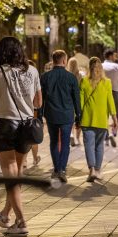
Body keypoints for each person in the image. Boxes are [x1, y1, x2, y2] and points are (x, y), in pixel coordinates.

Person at [0, 36, 42, 236]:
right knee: (17, 174)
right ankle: (6, 213)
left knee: (10, 174)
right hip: (26, 126)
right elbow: (38, 102)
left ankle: (21, 220)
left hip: (5, 125)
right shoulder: (33, 71)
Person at [41, 50, 81, 183]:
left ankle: (56, 169)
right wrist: (78, 115)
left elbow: (41, 98)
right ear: (64, 60)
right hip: (67, 114)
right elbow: (76, 98)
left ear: (53, 60)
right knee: (65, 143)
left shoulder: (45, 77)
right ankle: (62, 170)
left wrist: (40, 115)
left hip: (51, 114)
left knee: (53, 141)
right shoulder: (71, 77)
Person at [81, 56, 118, 182]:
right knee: (99, 146)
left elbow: (80, 102)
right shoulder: (107, 82)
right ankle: (97, 170)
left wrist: (77, 117)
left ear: (89, 68)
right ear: (101, 68)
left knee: (88, 145)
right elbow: (110, 101)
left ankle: (91, 169)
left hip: (87, 119)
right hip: (102, 120)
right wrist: (114, 117)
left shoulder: (84, 81)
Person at [101, 49, 118, 146]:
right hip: (115, 92)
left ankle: (106, 137)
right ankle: (113, 133)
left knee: (104, 116)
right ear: (111, 56)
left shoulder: (100, 66)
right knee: (115, 115)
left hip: (102, 93)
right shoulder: (116, 66)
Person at [67, 57, 84, 146]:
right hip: (79, 99)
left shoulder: (66, 74)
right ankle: (78, 138)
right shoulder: (81, 74)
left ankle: (71, 134)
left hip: (68, 100)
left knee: (70, 119)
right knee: (78, 120)